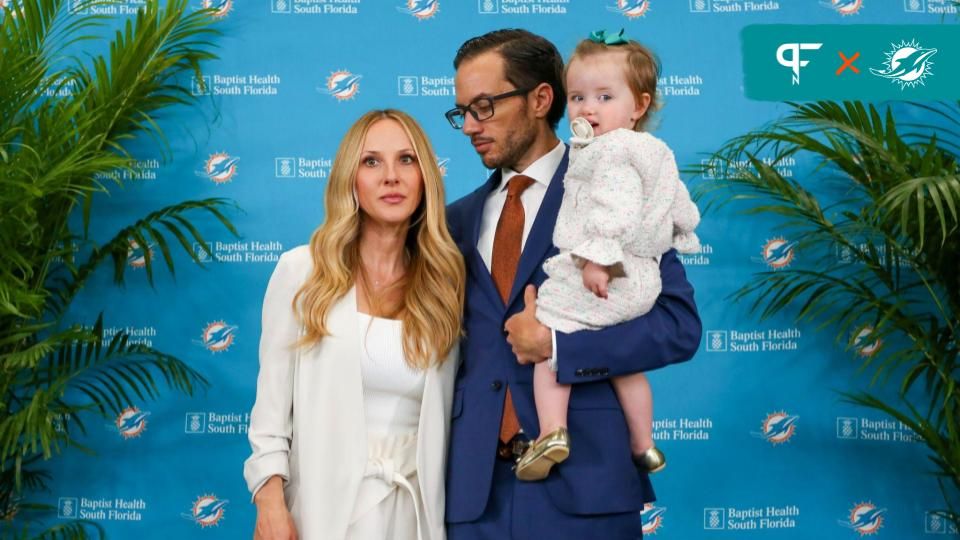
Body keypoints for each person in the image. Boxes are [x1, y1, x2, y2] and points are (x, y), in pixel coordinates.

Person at [443, 29, 701, 539]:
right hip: (473, 497)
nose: (470, 125)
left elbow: (676, 326)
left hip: (587, 490)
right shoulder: (454, 220)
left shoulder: (617, 184)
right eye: (462, 112)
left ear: (541, 99)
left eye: (485, 106)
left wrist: (558, 346)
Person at [243, 109, 465, 540]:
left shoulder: (446, 284)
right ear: (350, 179)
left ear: (426, 177)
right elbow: (270, 415)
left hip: (415, 519)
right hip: (321, 516)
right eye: (371, 162)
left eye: (407, 160)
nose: (391, 177)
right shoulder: (302, 273)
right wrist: (270, 504)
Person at [516, 30, 701, 482]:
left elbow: (611, 211)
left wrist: (597, 259)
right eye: (577, 97)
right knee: (628, 368)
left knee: (548, 341)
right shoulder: (655, 151)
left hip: (606, 272)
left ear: (639, 105)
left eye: (604, 96)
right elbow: (677, 202)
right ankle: (644, 444)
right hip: (643, 276)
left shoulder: (611, 153)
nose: (587, 109)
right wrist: (682, 231)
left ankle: (552, 432)